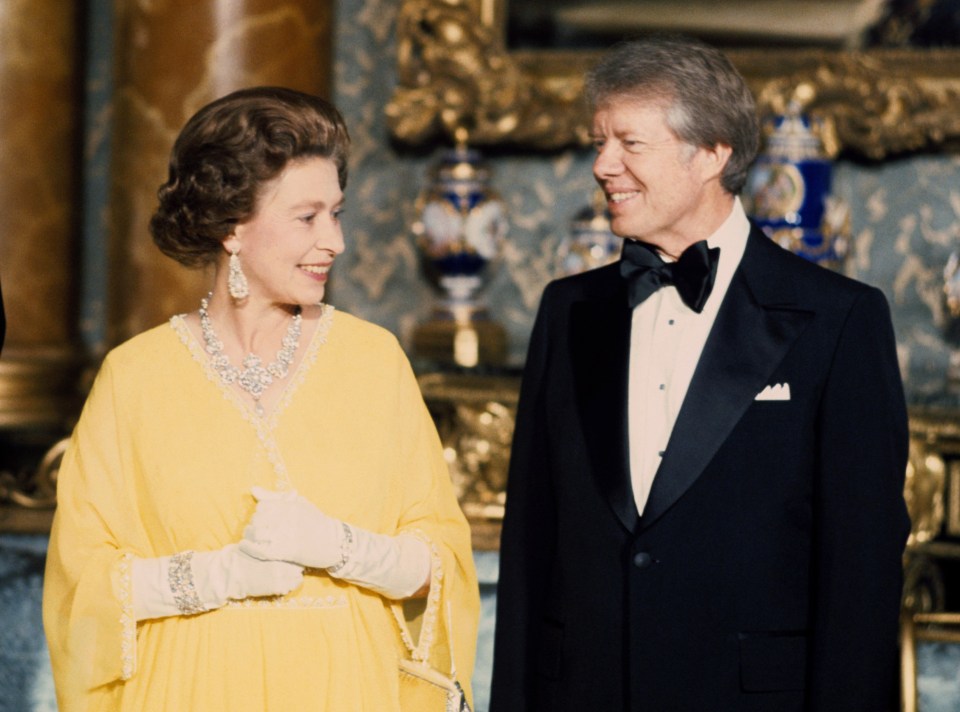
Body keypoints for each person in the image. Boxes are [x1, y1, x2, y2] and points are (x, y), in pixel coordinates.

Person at [490, 34, 909, 712]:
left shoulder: (839, 321)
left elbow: (859, 577)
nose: (602, 165)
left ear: (712, 153)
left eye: (630, 143)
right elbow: (530, 546)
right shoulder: (567, 312)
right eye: (600, 141)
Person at [43, 86, 479, 712]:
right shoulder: (133, 378)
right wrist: (218, 576)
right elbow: (79, 587)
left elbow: (441, 568)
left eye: (338, 213)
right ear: (231, 227)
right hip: (190, 690)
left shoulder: (374, 361)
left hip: (349, 687)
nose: (335, 241)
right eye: (308, 217)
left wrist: (340, 546)